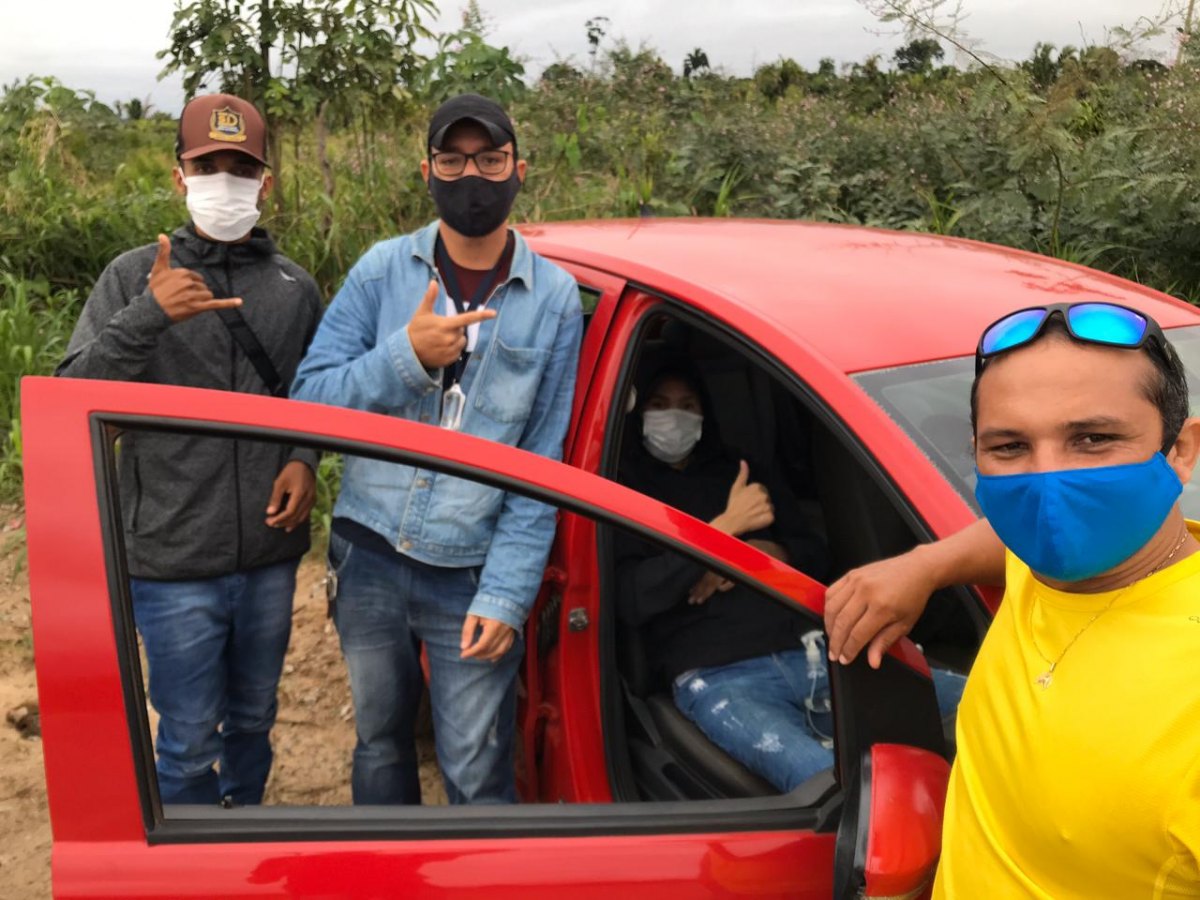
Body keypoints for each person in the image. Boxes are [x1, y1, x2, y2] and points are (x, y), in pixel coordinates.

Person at [824, 302, 1200, 898]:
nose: (1046, 480)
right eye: (1009, 448)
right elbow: (1015, 536)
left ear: (1180, 450)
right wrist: (922, 566)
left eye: (1093, 439)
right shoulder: (1055, 555)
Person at [290, 93, 582, 806]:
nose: (471, 175)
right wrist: (404, 358)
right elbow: (307, 400)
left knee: (478, 771)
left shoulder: (554, 298)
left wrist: (508, 593)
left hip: (470, 571)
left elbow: (541, 465)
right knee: (380, 746)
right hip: (368, 555)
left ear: (520, 169)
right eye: (452, 160)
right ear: (427, 171)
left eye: (489, 159)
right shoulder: (383, 271)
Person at [56, 94, 323, 805]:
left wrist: (304, 456)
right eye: (209, 165)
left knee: (254, 722)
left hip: (269, 557)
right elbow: (70, 396)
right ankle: (191, 872)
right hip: (171, 560)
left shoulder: (294, 287)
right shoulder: (131, 276)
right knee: (184, 740)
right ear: (180, 176)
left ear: (265, 181)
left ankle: (245, 846)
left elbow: (313, 393)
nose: (226, 180)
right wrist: (148, 316)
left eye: (242, 167)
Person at [616, 365, 966, 793]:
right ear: (639, 412)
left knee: (987, 705)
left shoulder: (739, 470)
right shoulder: (624, 491)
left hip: (816, 652)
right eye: (660, 405)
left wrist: (763, 557)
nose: (675, 416)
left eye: (688, 405)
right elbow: (632, 597)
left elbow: (814, 553)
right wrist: (723, 533)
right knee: (840, 789)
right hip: (721, 675)